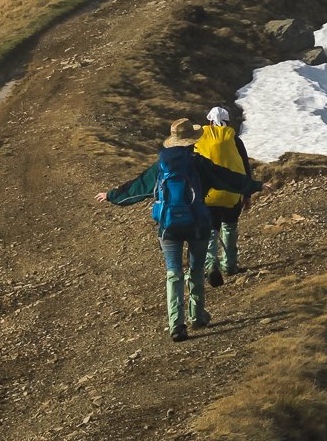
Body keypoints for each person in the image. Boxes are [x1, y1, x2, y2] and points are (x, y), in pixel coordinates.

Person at [95, 117, 260, 341]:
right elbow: (226, 178)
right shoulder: (199, 163)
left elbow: (139, 186)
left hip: (169, 226)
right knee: (196, 269)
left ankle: (176, 325)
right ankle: (197, 316)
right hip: (198, 224)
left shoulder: (162, 164)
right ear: (193, 141)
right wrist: (255, 185)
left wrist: (112, 195)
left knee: (173, 273)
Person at [195, 104, 255, 287]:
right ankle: (230, 265)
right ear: (228, 122)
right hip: (232, 193)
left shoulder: (200, 138)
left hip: (208, 194)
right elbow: (245, 168)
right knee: (230, 227)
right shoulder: (235, 140)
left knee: (211, 231)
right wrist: (247, 193)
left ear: (209, 121)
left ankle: (211, 263)